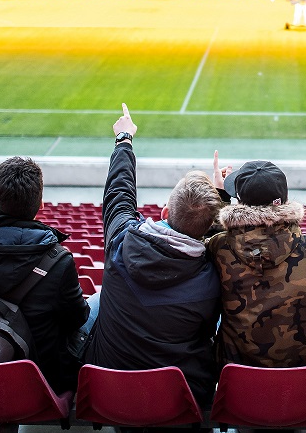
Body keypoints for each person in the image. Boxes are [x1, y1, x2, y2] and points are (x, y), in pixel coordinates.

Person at [81, 104, 224, 406]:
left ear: (164, 212)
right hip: (178, 397)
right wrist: (220, 198)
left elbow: (119, 194)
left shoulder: (121, 242)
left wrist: (124, 140)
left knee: (95, 299)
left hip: (109, 388)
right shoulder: (212, 276)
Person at [0, 156, 89, 393]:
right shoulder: (59, 261)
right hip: (43, 378)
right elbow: (78, 318)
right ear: (41, 205)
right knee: (98, 307)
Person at [207, 161, 306, 373]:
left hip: (237, 382)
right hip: (305, 383)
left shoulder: (219, 247)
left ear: (239, 203)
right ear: (283, 200)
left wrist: (220, 197)